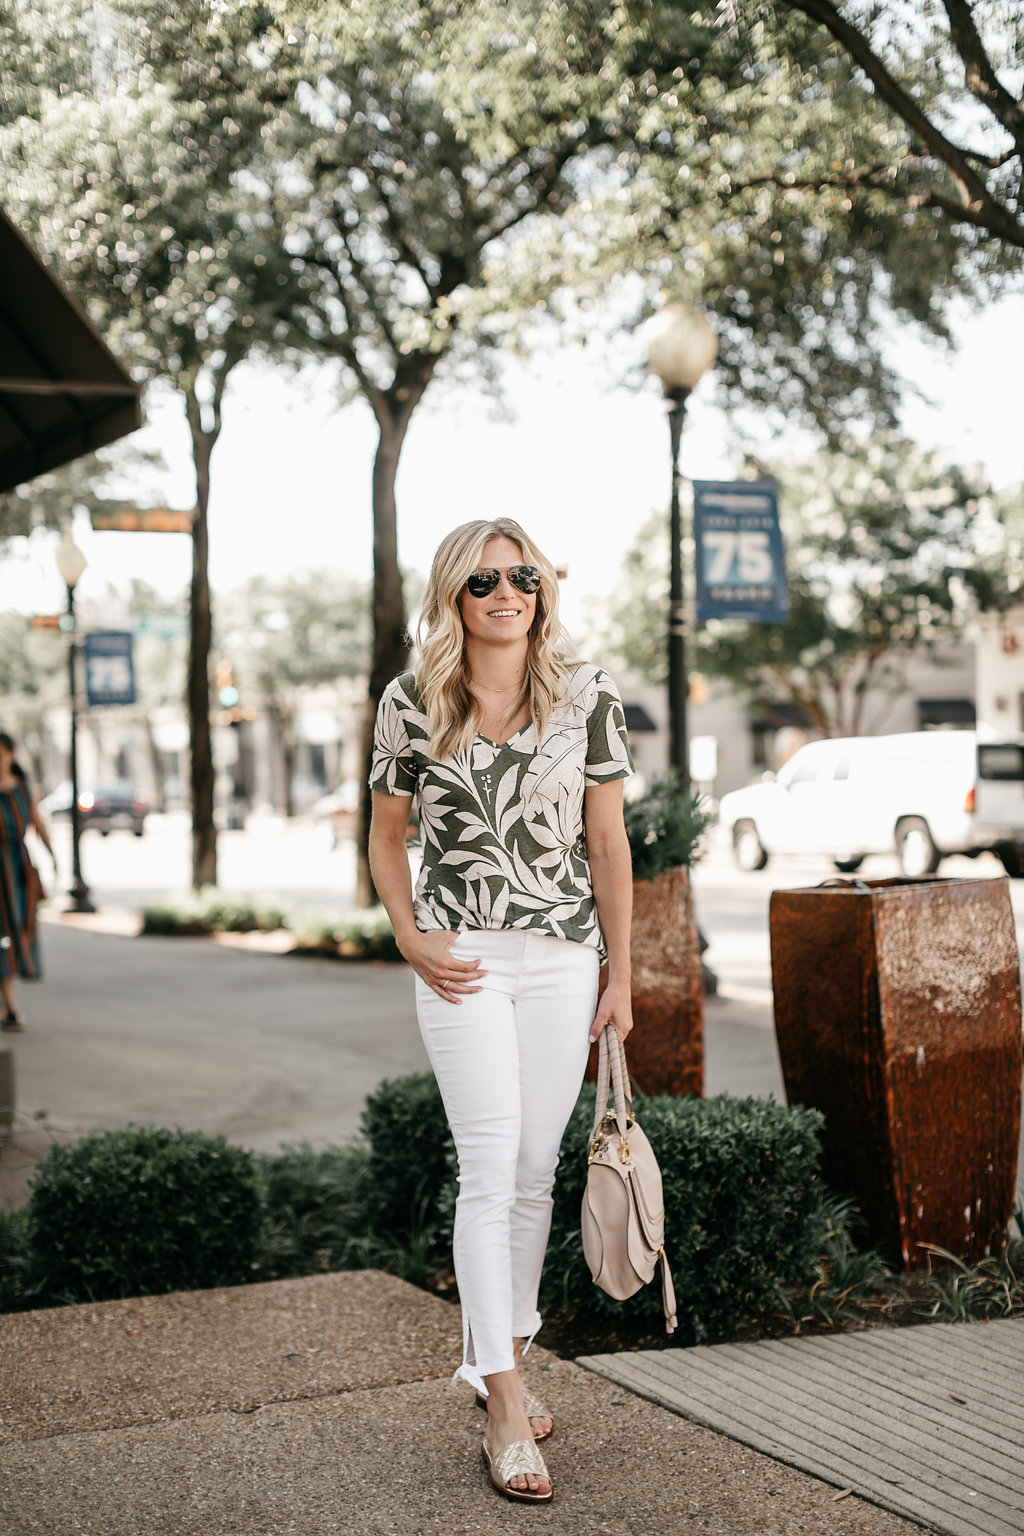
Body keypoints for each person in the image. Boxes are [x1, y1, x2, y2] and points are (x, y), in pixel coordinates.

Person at [368, 518, 634, 1504]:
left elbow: (607, 845)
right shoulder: (410, 702)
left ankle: (492, 1356)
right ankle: (507, 1407)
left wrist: (622, 975)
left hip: (564, 958)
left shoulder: (589, 697)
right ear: (454, 596)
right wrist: (407, 931)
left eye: (522, 575)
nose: (505, 592)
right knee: (487, 1170)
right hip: (462, 960)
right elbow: (386, 836)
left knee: (534, 1170)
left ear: (541, 589)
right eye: (483, 580)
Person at [0, 732, 56, 1030]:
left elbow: (38, 824)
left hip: (18, 872)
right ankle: (10, 1007)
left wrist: (53, 856)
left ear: (10, 754)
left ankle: (9, 1004)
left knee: (14, 932)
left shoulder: (25, 789)